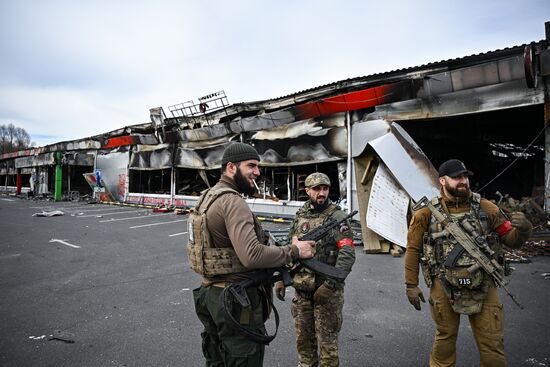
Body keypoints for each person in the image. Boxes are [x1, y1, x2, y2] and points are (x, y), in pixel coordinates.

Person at [188, 142, 315, 367]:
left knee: (217, 360)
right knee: (242, 358)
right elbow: (252, 255)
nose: (257, 172)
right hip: (235, 301)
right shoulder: (232, 202)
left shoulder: (207, 197)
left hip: (210, 294)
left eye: (257, 166)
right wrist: (295, 251)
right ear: (231, 167)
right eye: (251, 166)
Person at [404, 159, 532, 367]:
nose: (463, 181)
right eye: (457, 177)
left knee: (492, 344)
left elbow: (511, 240)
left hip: (483, 283)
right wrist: (411, 284)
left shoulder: (486, 208)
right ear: (443, 181)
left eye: (465, 177)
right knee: (445, 339)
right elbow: (413, 249)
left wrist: (524, 230)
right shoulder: (425, 213)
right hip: (443, 284)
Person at [275, 172, 356, 367]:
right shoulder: (300, 215)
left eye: (325, 188)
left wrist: (330, 285)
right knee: (303, 340)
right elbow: (288, 247)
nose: (321, 193)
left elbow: (347, 252)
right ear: (307, 190)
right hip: (302, 290)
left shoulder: (337, 217)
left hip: (327, 292)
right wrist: (280, 276)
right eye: (317, 189)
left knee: (327, 344)